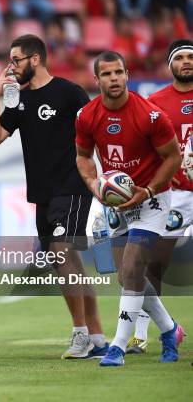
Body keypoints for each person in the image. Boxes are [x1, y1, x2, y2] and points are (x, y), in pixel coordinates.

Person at [0, 34, 108, 359]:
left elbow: (96, 131)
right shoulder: (18, 99)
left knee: (61, 250)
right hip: (42, 192)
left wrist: (102, 177)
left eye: (16, 60)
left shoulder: (69, 93)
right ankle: (97, 337)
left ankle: (80, 334)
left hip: (73, 185)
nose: (11, 66)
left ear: (35, 59)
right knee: (68, 262)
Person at [75, 50, 183, 367]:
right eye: (107, 74)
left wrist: (148, 189)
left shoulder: (150, 115)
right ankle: (169, 329)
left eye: (119, 72)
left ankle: (118, 347)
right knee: (126, 276)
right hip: (118, 203)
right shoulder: (87, 116)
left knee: (134, 265)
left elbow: (173, 157)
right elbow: (83, 157)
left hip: (152, 199)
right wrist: (94, 185)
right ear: (97, 80)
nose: (114, 79)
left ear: (127, 75)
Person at [125, 39, 192, 354]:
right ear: (170, 65)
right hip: (175, 195)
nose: (187, 62)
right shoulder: (155, 102)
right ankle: (141, 334)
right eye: (181, 57)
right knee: (153, 262)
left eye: (192, 57)